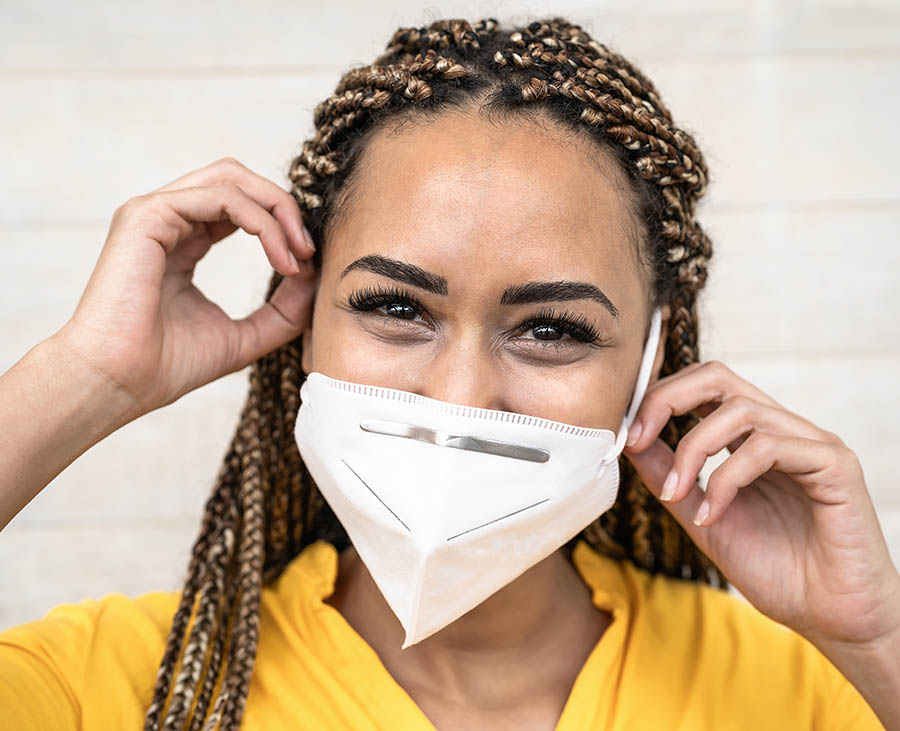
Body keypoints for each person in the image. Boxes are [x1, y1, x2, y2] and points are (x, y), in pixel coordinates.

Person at [0, 15, 898, 731]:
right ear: (303, 323)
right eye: (396, 308)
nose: (460, 395)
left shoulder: (806, 688)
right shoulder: (115, 685)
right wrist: (87, 376)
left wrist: (880, 639)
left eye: (550, 327)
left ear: (652, 361)